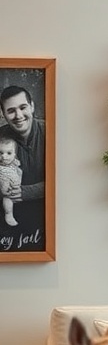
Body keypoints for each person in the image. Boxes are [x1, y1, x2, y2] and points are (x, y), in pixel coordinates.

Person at [0, 84, 45, 241]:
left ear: (32, 106)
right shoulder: (1, 137)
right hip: (8, 219)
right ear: (4, 115)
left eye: (23, 107)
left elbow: (64, 180)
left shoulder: (50, 131)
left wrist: (27, 192)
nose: (18, 115)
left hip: (48, 216)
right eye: (11, 111)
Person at [0, 136, 22, 227]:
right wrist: (4, 189)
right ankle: (8, 214)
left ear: (14, 154)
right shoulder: (1, 167)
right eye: (0, 153)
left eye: (9, 153)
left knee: (20, 171)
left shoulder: (14, 162)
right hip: (7, 188)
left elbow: (18, 168)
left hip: (17, 184)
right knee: (7, 199)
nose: (4, 156)